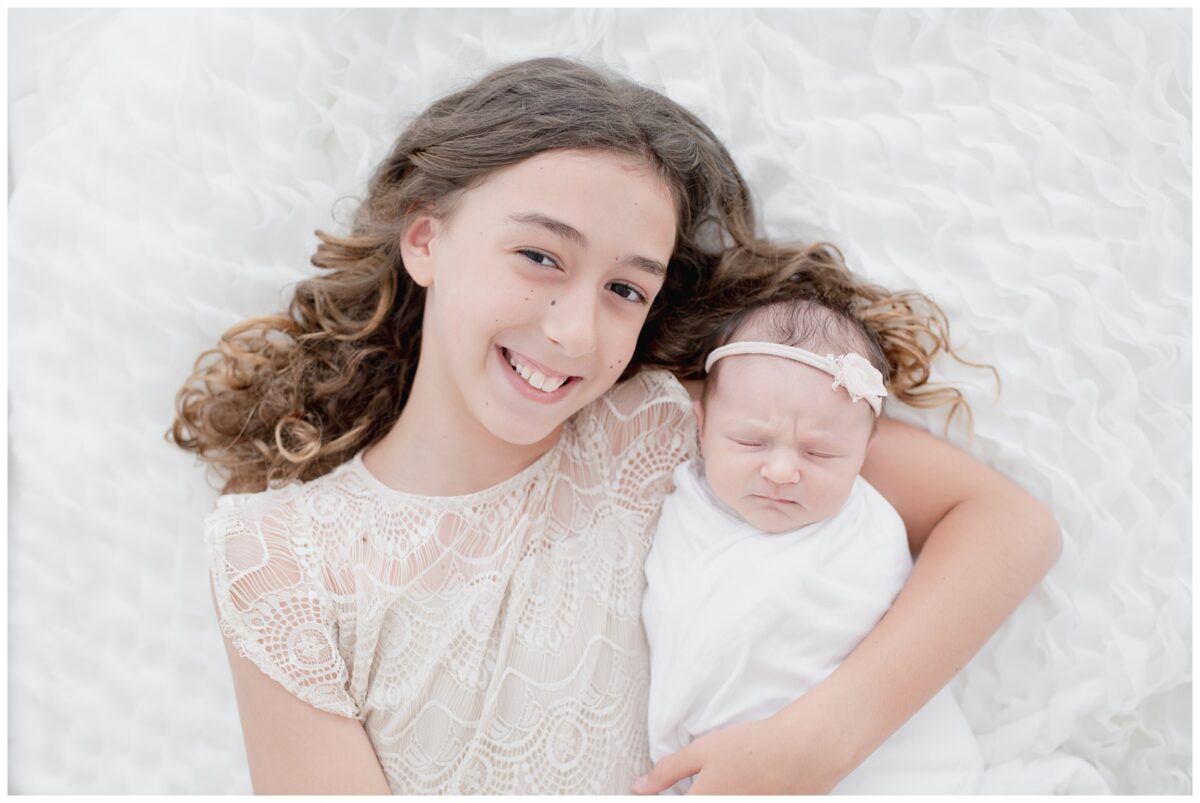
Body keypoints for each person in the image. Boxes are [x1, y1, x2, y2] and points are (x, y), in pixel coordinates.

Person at [170, 57, 1061, 794]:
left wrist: (817, 742)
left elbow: (1007, 525)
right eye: (539, 256)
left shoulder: (668, 430)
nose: (572, 331)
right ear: (426, 240)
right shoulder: (277, 558)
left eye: (625, 288)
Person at [643, 295, 985, 794]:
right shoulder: (681, 503)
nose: (781, 472)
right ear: (701, 427)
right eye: (750, 442)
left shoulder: (865, 535)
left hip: (870, 764)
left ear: (865, 452)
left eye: (820, 452)